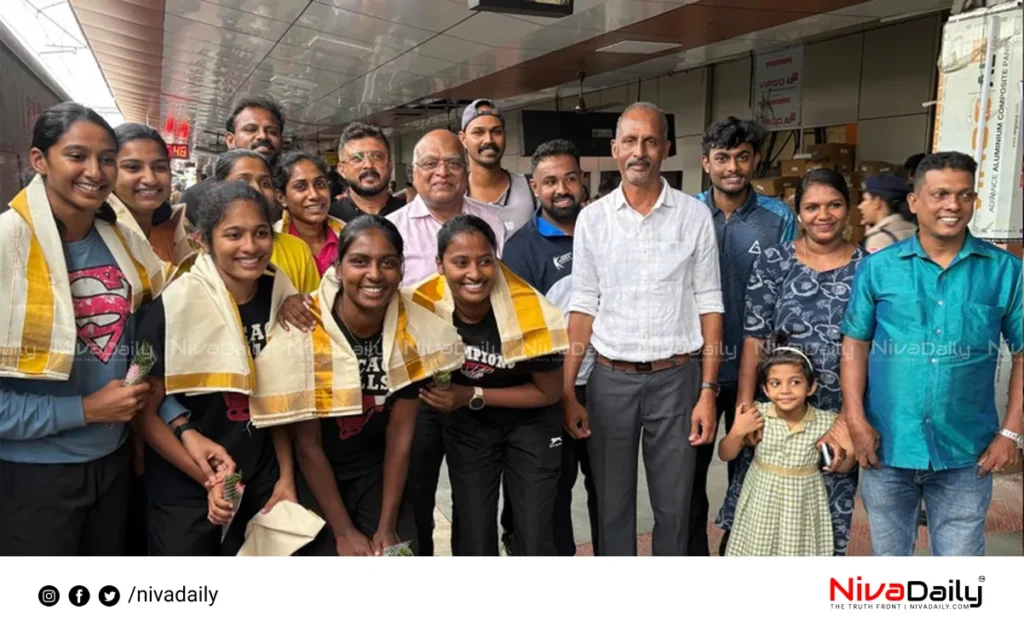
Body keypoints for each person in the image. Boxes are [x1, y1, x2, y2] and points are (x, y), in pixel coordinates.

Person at [0, 102, 166, 555]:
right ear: (39, 161)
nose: (95, 171)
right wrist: (86, 410)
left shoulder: (126, 245)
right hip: (32, 477)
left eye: (106, 158)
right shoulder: (5, 249)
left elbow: (151, 339)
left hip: (112, 465)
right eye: (77, 155)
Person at [841, 151, 1023, 556]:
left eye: (964, 195)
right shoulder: (878, 268)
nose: (952, 205)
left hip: (966, 453)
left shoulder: (1005, 271)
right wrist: (855, 418)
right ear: (914, 201)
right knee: (890, 564)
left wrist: (1011, 431)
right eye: (940, 194)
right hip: (887, 445)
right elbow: (856, 342)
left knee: (958, 572)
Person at [249, 215, 464, 556]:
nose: (375, 275)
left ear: (402, 268)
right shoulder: (306, 330)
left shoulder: (413, 331)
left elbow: (400, 436)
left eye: (388, 263)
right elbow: (308, 444)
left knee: (399, 555)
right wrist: (345, 531)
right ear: (337, 267)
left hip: (379, 472)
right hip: (317, 473)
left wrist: (387, 525)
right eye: (359, 261)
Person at [566, 102, 724, 556]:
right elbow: (583, 305)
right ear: (615, 149)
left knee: (674, 506)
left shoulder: (693, 217)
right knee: (611, 505)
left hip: (678, 380)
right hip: (610, 380)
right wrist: (566, 390)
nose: (641, 151)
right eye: (631, 141)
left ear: (666, 149)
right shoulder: (593, 219)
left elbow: (710, 304)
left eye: (651, 141)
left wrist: (708, 390)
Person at [133, 182, 297, 555]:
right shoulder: (170, 307)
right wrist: (207, 481)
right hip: (184, 483)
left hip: (263, 477)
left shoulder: (280, 294)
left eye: (261, 233)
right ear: (202, 241)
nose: (251, 247)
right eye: (233, 235)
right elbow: (143, 411)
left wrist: (286, 477)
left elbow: (284, 401)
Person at [717, 168, 866, 556]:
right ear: (798, 212)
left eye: (834, 205)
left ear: (848, 209)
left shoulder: (870, 267)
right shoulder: (775, 260)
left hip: (838, 410)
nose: (824, 215)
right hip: (777, 405)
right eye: (812, 206)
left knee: (822, 522)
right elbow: (753, 336)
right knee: (761, 514)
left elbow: (870, 346)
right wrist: (745, 407)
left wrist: (854, 420)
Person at [411, 215, 568, 556]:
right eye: (460, 262)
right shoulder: (421, 304)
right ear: (440, 264)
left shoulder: (532, 312)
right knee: (473, 529)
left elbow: (549, 392)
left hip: (532, 424)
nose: (474, 273)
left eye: (485, 261)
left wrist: (472, 394)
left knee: (533, 528)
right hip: (469, 424)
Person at [689, 116, 797, 555]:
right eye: (722, 158)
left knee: (751, 471)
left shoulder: (779, 218)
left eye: (742, 157)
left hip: (758, 371)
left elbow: (789, 290)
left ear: (754, 161)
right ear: (706, 162)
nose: (732, 167)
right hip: (695, 369)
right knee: (688, 474)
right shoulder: (688, 213)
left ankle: (739, 554)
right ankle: (691, 553)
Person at [501, 139, 599, 556]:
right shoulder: (521, 249)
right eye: (551, 181)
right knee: (551, 493)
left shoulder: (604, 232)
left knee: (606, 488)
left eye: (570, 179)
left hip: (608, 384)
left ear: (583, 183)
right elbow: (524, 334)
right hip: (551, 390)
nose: (562, 189)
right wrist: (561, 395)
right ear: (535, 188)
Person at [721, 334, 853, 556]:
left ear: (811, 387)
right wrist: (736, 432)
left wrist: (848, 449)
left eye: (795, 382)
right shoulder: (757, 414)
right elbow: (725, 454)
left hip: (802, 505)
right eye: (776, 383)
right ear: (765, 389)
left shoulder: (826, 421)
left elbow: (844, 467)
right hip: (761, 503)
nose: (785, 390)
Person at [389, 129, 507, 287]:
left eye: (454, 164)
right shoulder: (392, 230)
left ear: (466, 171)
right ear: (414, 173)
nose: (443, 172)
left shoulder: (493, 221)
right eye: (430, 163)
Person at [203, 149, 320, 297]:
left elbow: (313, 309)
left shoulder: (297, 250)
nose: (257, 190)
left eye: (265, 183)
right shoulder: (203, 258)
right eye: (243, 182)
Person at [109, 123, 194, 279]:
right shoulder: (91, 235)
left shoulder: (178, 233)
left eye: (160, 167)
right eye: (133, 167)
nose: (150, 179)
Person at [182, 96, 286, 223]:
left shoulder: (296, 192)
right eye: (250, 130)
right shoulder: (197, 198)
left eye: (272, 132)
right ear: (231, 140)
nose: (262, 136)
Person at [460, 99, 536, 235]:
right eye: (478, 132)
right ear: (463, 139)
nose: (488, 140)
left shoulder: (531, 188)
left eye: (496, 132)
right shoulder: (455, 194)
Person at [273, 151, 345, 277]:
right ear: (281, 198)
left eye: (320, 184)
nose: (314, 195)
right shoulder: (272, 244)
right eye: (300, 186)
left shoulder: (347, 235)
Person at [329, 123, 406, 222]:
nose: (368, 165)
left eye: (377, 156)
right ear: (342, 170)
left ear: (390, 165)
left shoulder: (409, 216)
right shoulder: (328, 220)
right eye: (357, 158)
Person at [858, 173, 917, 253]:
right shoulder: (914, 230)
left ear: (877, 202)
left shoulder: (880, 239)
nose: (860, 206)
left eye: (865, 199)